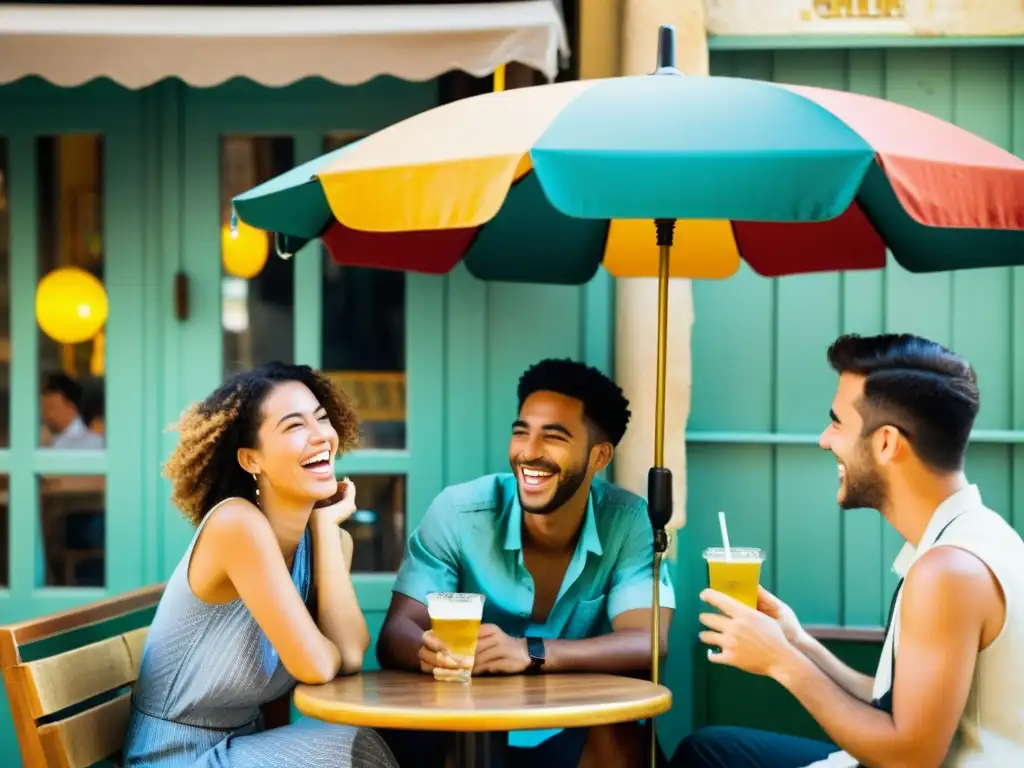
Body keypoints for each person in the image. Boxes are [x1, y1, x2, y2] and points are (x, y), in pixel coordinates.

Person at [674, 333, 1024, 767]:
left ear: (886, 443)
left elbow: (911, 758)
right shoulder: (972, 537)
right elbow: (897, 705)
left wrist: (783, 663)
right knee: (707, 749)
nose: (825, 440)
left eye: (837, 422)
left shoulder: (949, 570)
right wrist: (800, 643)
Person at [376, 358, 675, 768]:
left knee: (622, 730)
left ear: (599, 456)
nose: (529, 453)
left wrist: (530, 652)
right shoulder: (459, 512)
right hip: (461, 726)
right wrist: (431, 654)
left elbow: (649, 642)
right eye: (522, 432)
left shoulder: (628, 521)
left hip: (576, 731)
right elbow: (396, 632)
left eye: (553, 437)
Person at [123, 362, 397, 768]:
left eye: (322, 419)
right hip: (174, 756)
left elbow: (350, 656)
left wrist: (324, 527)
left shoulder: (328, 540)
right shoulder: (237, 525)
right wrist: (327, 653)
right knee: (347, 751)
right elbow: (319, 665)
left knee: (357, 745)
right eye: (294, 426)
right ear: (252, 459)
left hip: (243, 750)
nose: (321, 435)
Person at [40, 372, 104, 449]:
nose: (47, 415)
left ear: (71, 407)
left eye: (51, 407)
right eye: (44, 408)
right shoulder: (41, 439)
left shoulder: (95, 442)